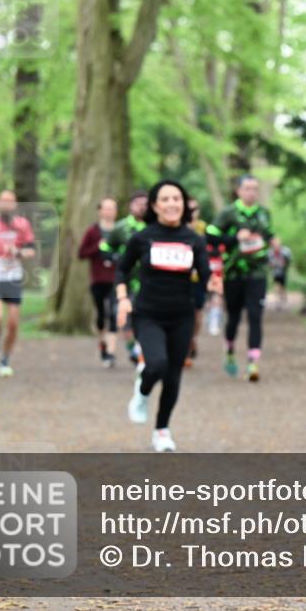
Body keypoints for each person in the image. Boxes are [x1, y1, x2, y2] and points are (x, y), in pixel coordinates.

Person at [116, 180, 219, 452]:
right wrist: (123, 298)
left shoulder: (193, 239)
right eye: (165, 199)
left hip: (182, 315)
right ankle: (143, 390)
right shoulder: (142, 237)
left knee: (173, 375)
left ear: (183, 205)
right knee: (156, 365)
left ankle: (162, 429)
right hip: (148, 313)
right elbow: (122, 270)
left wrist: (212, 283)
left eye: (177, 199)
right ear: (154, 205)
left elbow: (206, 273)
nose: (172, 204)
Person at [205, 175, 275, 381]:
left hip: (258, 273)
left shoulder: (264, 214)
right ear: (239, 191)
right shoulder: (228, 213)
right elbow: (210, 236)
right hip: (234, 272)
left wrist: (272, 242)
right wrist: (235, 238)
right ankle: (229, 350)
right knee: (234, 316)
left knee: (255, 315)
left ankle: (253, 363)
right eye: (247, 188)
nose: (251, 192)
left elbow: (269, 236)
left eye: (255, 188)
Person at [0, 190, 36, 377]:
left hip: (13, 276)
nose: (6, 205)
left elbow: (31, 250)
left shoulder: (22, 224)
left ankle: (5, 360)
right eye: (3, 201)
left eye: (10, 201)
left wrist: (17, 252)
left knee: (12, 323)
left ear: (15, 205)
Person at [100, 190, 148, 367]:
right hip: (124, 282)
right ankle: (132, 348)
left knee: (143, 319)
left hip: (147, 283)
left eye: (146, 204)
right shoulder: (120, 228)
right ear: (131, 206)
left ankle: (139, 352)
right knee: (123, 320)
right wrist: (115, 258)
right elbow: (104, 248)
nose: (142, 207)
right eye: (139, 204)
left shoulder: (154, 227)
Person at [78, 197, 119, 367]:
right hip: (98, 279)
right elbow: (81, 253)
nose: (109, 212)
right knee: (102, 315)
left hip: (116, 280)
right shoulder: (93, 231)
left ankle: (110, 352)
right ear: (100, 211)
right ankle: (102, 344)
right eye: (106, 208)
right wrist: (97, 246)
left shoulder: (120, 230)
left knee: (114, 314)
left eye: (112, 208)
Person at [186, 198, 207, 367]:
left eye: (195, 209)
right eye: (189, 209)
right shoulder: (177, 228)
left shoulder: (204, 228)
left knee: (197, 314)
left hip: (199, 279)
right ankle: (185, 345)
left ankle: (192, 338)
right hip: (180, 280)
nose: (192, 212)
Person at [268, 241, 293, 310]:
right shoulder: (270, 252)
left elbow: (287, 262)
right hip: (275, 272)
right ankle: (277, 301)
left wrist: (283, 264)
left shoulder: (285, 252)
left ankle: (282, 297)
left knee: (282, 286)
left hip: (283, 272)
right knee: (276, 286)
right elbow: (269, 263)